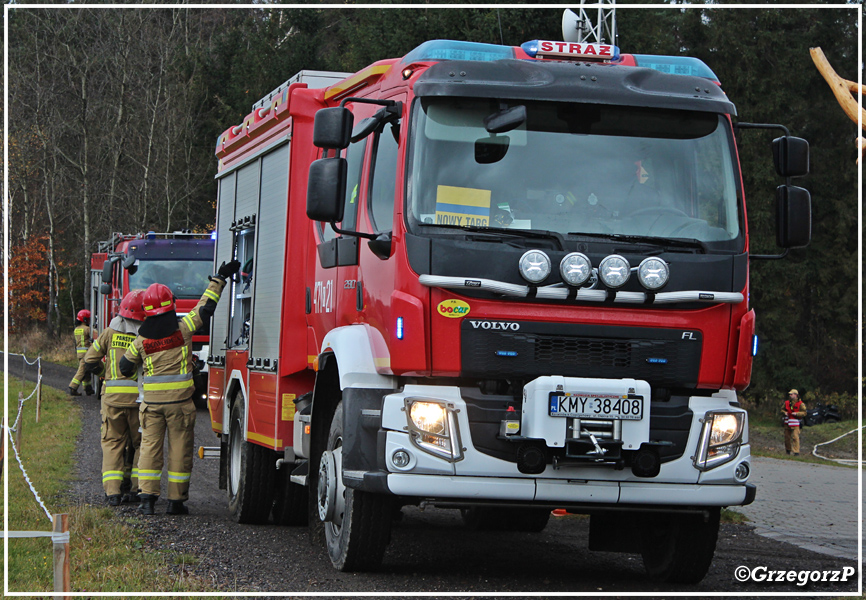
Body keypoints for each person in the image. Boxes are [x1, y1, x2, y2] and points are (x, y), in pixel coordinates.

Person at [119, 259, 239, 516]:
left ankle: (147, 501)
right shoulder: (184, 329)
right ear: (171, 305)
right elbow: (205, 308)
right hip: (180, 406)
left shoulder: (140, 342)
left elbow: (124, 367)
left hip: (151, 407)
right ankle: (176, 502)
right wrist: (219, 279)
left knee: (149, 450)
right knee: (179, 451)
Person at [81, 290, 146, 506]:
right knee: (140, 444)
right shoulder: (147, 336)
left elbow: (89, 361)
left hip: (112, 400)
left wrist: (104, 374)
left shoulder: (109, 333)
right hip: (140, 400)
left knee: (112, 443)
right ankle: (137, 490)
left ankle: (113, 493)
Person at [68, 309, 95, 396]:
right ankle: (73, 387)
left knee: (86, 372)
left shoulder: (76, 329)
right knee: (82, 371)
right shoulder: (87, 329)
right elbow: (96, 336)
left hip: (79, 353)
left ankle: (88, 389)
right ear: (85, 319)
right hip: (86, 353)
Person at [781, 388, 807, 456]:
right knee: (787, 437)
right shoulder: (786, 402)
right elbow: (782, 410)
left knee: (795, 437)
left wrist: (797, 414)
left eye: (791, 394)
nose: (790, 395)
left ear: (796, 395)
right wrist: (785, 412)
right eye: (790, 394)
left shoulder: (801, 404)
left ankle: (796, 452)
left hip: (796, 423)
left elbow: (804, 413)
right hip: (787, 422)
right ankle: (788, 450)